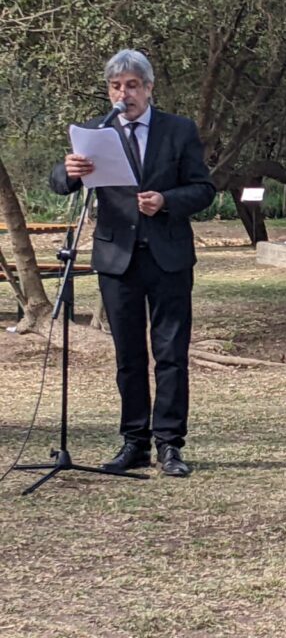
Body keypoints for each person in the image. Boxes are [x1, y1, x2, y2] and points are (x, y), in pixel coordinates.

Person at [50, 49, 215, 477]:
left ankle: (170, 445)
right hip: (116, 257)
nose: (124, 94)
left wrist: (165, 201)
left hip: (169, 257)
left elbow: (203, 189)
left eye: (133, 86)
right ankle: (134, 442)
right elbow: (58, 183)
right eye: (116, 86)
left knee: (171, 353)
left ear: (149, 88)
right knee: (128, 356)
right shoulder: (94, 131)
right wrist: (68, 171)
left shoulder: (178, 131)